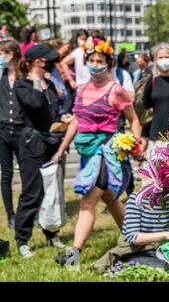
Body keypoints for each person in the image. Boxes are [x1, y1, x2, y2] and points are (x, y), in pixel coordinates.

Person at [53, 37, 142, 266]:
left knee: (87, 201)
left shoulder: (116, 90)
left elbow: (134, 120)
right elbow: (75, 122)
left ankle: (73, 255)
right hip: (86, 152)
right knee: (111, 200)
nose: (94, 64)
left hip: (105, 153)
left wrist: (136, 143)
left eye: (99, 60)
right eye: (91, 60)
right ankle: (137, 242)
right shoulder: (82, 89)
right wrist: (61, 150)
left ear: (109, 63)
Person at [14, 44, 65, 258]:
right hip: (31, 145)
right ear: (37, 62)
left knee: (51, 192)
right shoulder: (22, 85)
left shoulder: (50, 84)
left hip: (51, 143)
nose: (51, 65)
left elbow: (56, 109)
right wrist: (37, 80)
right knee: (32, 193)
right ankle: (22, 239)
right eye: (47, 61)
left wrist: (64, 119)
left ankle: (51, 233)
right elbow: (34, 104)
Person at [91, 191, 169, 273]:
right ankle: (121, 266)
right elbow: (134, 238)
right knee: (164, 268)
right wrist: (166, 234)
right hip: (136, 252)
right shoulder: (136, 199)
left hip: (162, 252)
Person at [0, 40, 23, 229]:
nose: (2, 56)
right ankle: (10, 215)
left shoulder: (23, 76)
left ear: (13, 54)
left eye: (4, 53)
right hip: (3, 131)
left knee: (27, 173)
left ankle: (27, 211)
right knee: (6, 174)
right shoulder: (0, 75)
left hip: (21, 130)